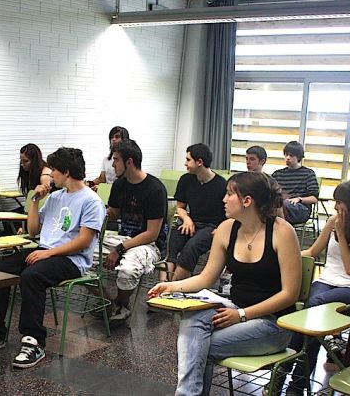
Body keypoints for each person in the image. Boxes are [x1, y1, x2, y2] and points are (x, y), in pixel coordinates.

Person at [149, 172, 301, 396]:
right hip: (236, 309)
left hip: (274, 324)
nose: (224, 199)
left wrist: (242, 315)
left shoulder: (282, 232)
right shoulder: (226, 229)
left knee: (199, 346)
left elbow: (290, 294)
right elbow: (205, 278)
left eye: (230, 194)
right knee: (193, 316)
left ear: (247, 201)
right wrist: (171, 286)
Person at [0, 147, 105, 369]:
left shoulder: (91, 201)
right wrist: (34, 201)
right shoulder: (55, 197)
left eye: (53, 173)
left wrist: (49, 252)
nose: (51, 177)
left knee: (32, 276)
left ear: (66, 172)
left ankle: (34, 341)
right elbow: (32, 230)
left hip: (72, 259)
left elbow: (84, 241)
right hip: (45, 251)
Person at [278, 180, 350, 395]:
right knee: (315, 323)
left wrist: (342, 236)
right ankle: (296, 385)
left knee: (313, 308)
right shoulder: (334, 220)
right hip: (325, 281)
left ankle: (282, 372)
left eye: (339, 203)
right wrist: (282, 255)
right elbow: (313, 251)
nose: (335, 208)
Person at [104, 139, 168, 325]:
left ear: (129, 162)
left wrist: (119, 249)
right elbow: (114, 214)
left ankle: (121, 304)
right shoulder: (119, 184)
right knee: (83, 258)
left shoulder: (155, 189)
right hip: (123, 238)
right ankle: (108, 302)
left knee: (128, 269)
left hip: (149, 244)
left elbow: (152, 234)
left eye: (116, 160)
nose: (113, 164)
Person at [169, 143, 227, 281]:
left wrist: (221, 229)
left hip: (211, 227)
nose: (185, 163)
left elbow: (228, 214)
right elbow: (180, 207)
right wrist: (187, 219)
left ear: (199, 162)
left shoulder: (221, 184)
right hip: (191, 222)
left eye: (188, 160)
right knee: (173, 244)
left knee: (191, 248)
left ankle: (173, 285)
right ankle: (164, 283)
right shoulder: (186, 180)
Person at [271, 141, 319, 225]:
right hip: (279, 204)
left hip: (300, 208)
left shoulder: (308, 173)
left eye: (291, 155)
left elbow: (314, 198)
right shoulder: (277, 174)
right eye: (286, 155)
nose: (288, 158)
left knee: (280, 204)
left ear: (299, 157)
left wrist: (299, 199)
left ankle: (281, 230)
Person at [88, 126, 129, 190]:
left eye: (117, 137)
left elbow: (126, 183)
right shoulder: (106, 159)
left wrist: (102, 188)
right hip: (107, 193)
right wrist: (88, 184)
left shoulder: (128, 160)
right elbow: (102, 179)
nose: (113, 139)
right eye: (111, 137)